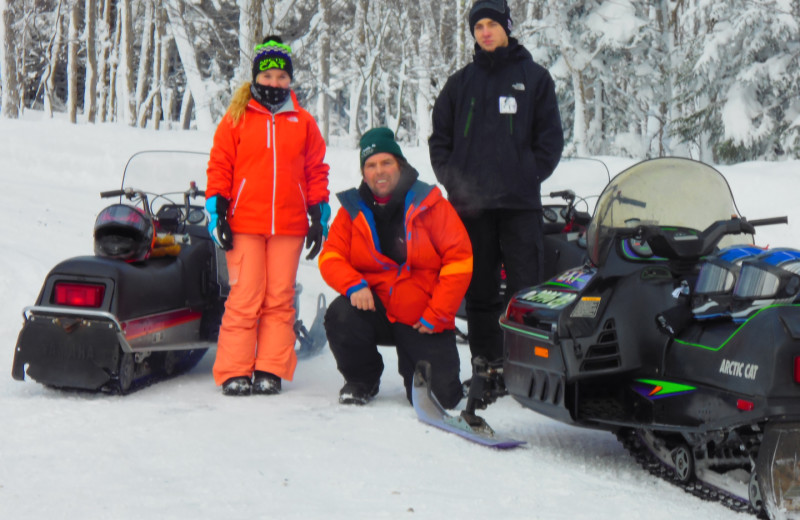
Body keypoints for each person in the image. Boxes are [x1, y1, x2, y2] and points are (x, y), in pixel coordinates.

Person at [428, 0, 564, 366]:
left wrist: (526, 174)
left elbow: (550, 141)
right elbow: (439, 140)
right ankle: (486, 363)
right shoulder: (459, 85)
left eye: (491, 24)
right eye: (478, 26)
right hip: (472, 209)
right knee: (480, 291)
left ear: (506, 25)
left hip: (520, 207)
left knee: (527, 291)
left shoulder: (534, 79)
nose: (485, 32)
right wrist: (453, 181)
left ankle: (525, 367)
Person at [205, 36, 330, 396]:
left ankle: (270, 369)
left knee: (279, 299)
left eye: (281, 77)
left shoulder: (303, 122)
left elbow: (316, 170)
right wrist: (218, 213)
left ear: (290, 80)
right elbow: (219, 167)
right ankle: (234, 370)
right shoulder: (236, 118)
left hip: (289, 226)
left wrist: (318, 216)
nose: (274, 83)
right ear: (256, 78)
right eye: (268, 76)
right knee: (245, 297)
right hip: (244, 224)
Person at [319, 128, 472, 408]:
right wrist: (354, 284)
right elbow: (330, 256)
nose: (380, 171)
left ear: (399, 164)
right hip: (375, 309)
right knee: (341, 314)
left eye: (386, 162)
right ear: (364, 172)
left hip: (422, 317)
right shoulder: (352, 209)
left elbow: (459, 260)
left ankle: (418, 364)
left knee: (442, 399)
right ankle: (361, 379)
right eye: (371, 165)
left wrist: (438, 313)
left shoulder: (431, 204)